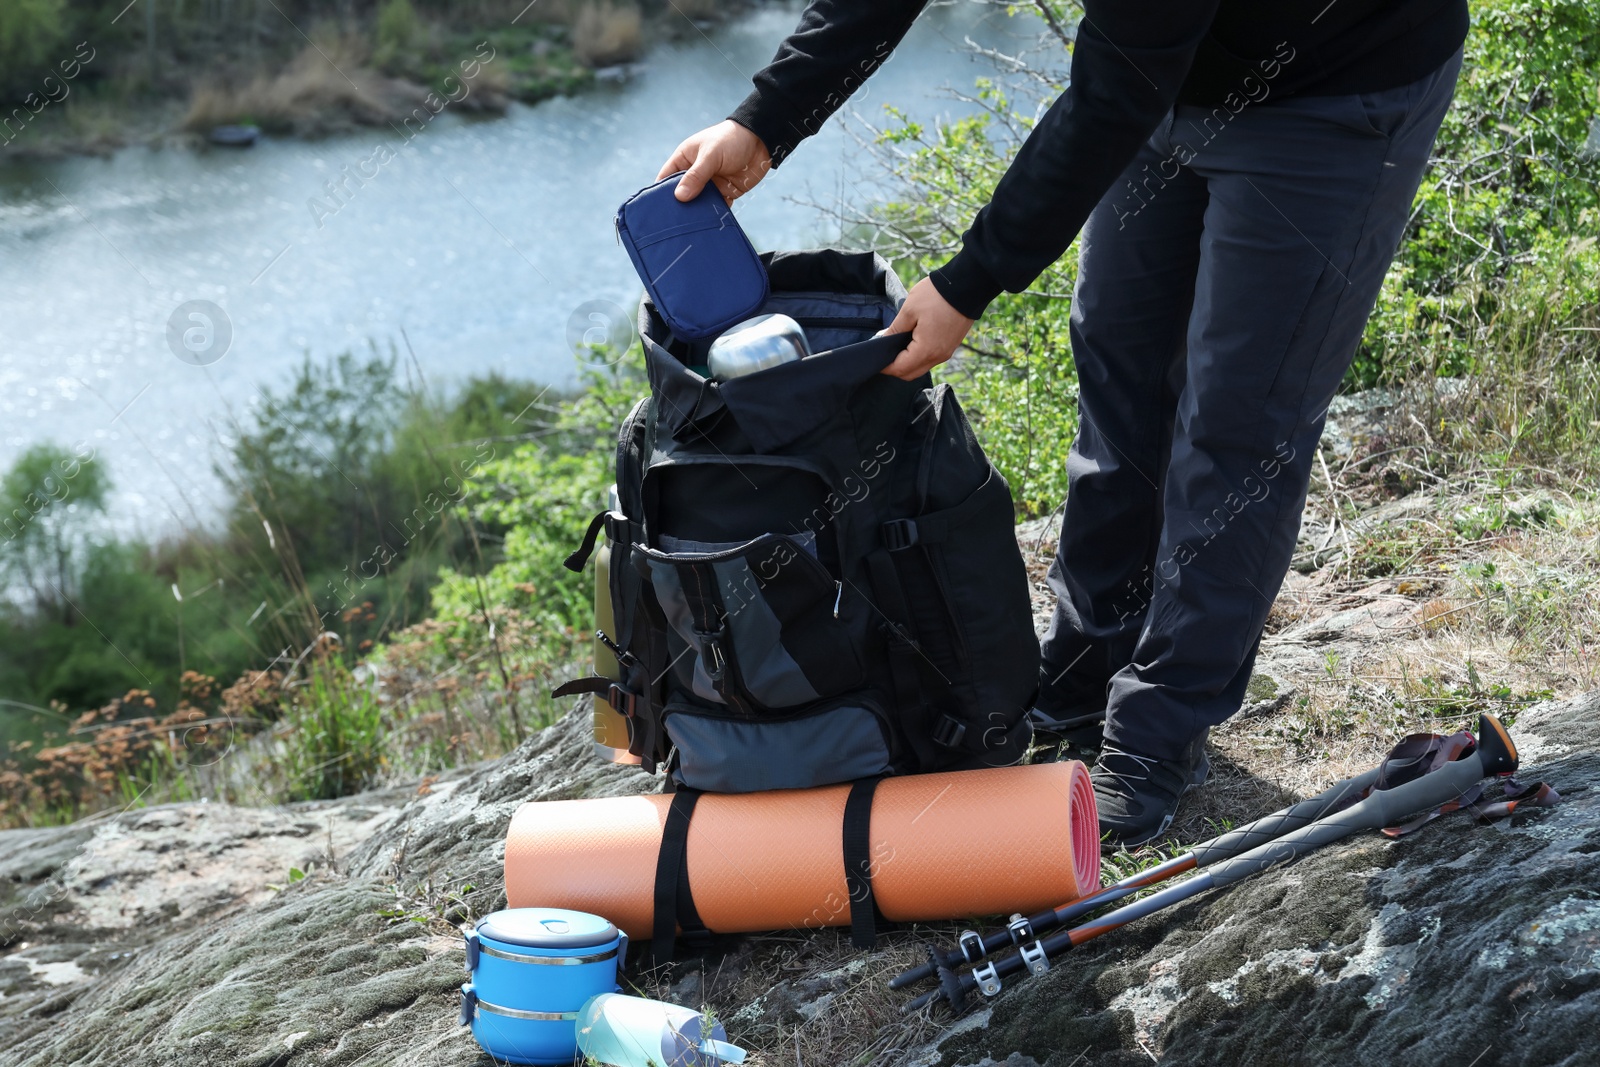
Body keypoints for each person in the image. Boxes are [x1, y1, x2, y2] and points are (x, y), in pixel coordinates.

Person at [656, 1, 1466, 848]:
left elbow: (1114, 94)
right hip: (1161, 78)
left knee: (1237, 427)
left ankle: (1155, 738)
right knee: (1119, 368)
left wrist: (970, 280)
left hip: (1334, 92)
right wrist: (765, 119)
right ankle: (1082, 683)